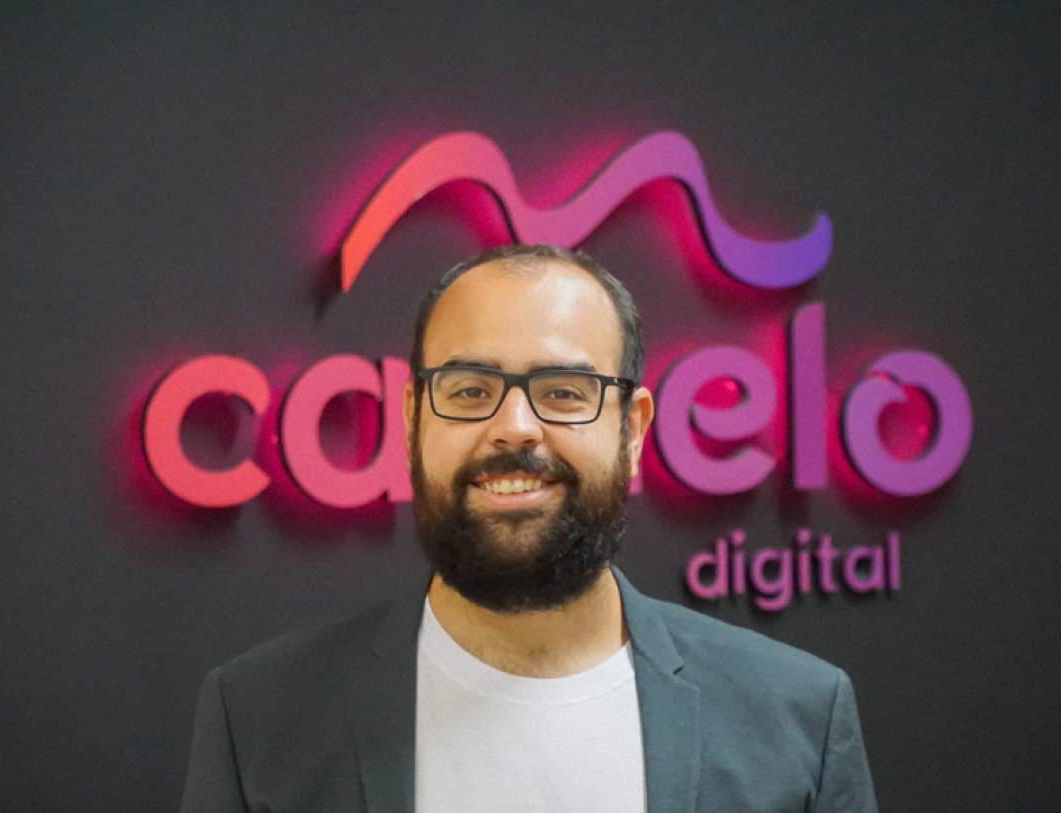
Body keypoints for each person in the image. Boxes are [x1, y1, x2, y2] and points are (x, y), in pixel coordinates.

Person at [179, 244, 877, 812]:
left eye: (564, 393)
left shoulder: (799, 719)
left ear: (633, 430)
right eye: (469, 391)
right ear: (413, 420)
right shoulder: (257, 721)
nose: (514, 427)